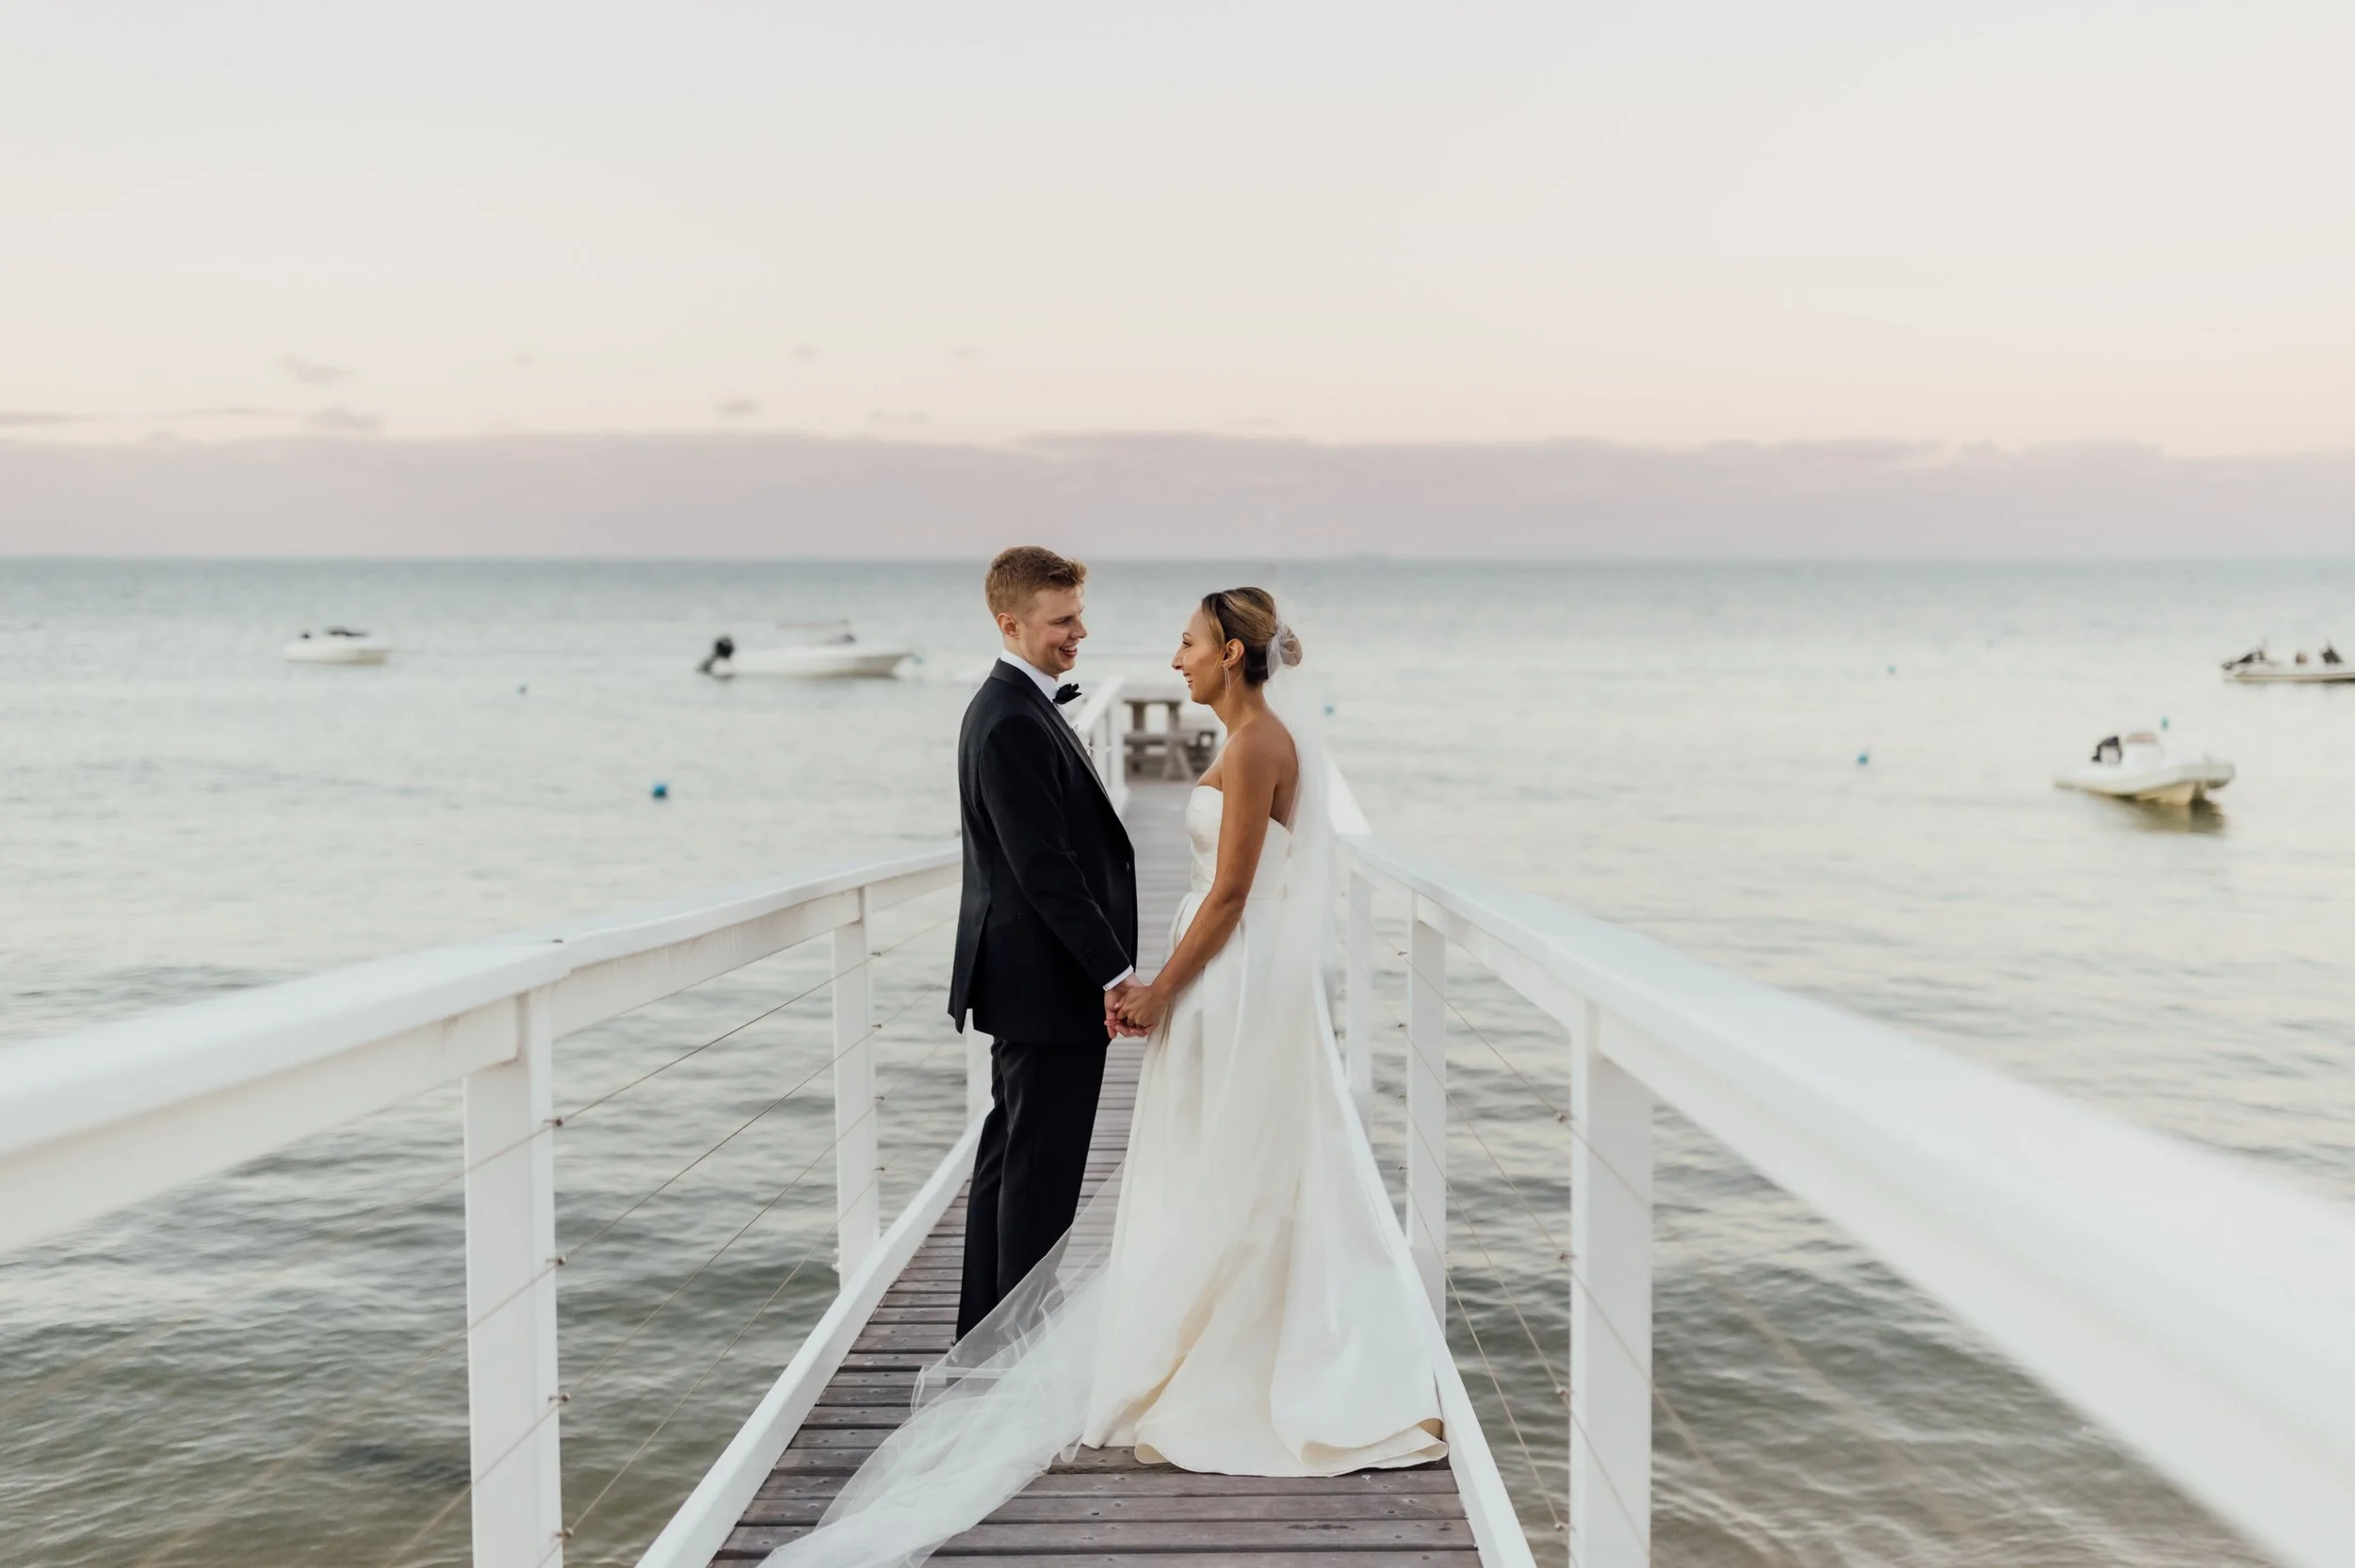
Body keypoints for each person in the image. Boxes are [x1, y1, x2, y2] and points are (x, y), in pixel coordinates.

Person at [764, 587, 1443, 1568]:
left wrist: (1158, 987)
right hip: (1219, 978)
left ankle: (1235, 1343)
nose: (1174, 659)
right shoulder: (1240, 737)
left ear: (1236, 657)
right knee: (1206, 1154)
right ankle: (1171, 1319)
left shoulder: (1257, 748)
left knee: (1224, 1153)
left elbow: (1235, 892)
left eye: (1189, 643)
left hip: (1229, 979)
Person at [948, 547, 1141, 1339]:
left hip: (1028, 978)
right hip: (1047, 981)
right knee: (1040, 1172)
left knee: (1012, 1158)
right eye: (1063, 621)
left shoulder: (1014, 709)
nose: (1079, 633)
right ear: (1011, 622)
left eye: (1078, 616)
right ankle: (1013, 1343)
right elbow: (1044, 871)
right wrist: (1117, 974)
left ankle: (985, 1331)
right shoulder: (1009, 722)